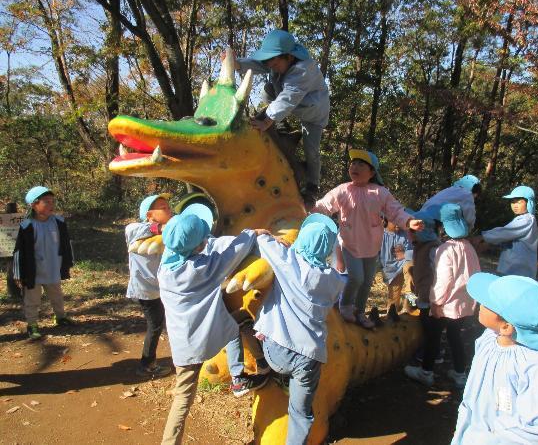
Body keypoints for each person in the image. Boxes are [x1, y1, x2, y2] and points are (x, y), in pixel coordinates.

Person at [158, 204, 270, 445]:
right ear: (198, 246)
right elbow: (233, 253)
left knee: (183, 396)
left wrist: (200, 242)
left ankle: (170, 442)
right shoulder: (203, 269)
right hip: (203, 337)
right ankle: (243, 375)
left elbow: (203, 246)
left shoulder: (167, 263)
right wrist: (252, 233)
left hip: (183, 340)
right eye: (202, 239)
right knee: (241, 322)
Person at [253, 213, 346, 445]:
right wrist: (336, 247)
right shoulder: (333, 280)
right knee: (301, 412)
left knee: (251, 321)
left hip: (276, 352)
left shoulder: (287, 260)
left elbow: (258, 239)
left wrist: (273, 237)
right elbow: (342, 270)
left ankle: (267, 371)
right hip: (309, 356)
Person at [311, 149, 424, 329]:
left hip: (372, 246)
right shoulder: (343, 189)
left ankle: (359, 311)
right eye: (353, 163)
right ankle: (346, 307)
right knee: (356, 277)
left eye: (361, 164)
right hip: (349, 243)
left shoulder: (379, 192)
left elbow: (394, 210)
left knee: (367, 280)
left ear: (372, 172)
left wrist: (409, 221)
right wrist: (310, 207)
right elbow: (325, 205)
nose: (354, 166)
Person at [452, 272, 538, 444]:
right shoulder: (488, 339)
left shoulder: (534, 364)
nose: (480, 304)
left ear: (506, 327)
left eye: (488, 303)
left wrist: (491, 439)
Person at [231, 29, 330, 202]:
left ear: (289, 57)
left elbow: (288, 98)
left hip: (313, 112)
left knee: (311, 150)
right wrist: (236, 64)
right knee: (267, 90)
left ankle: (313, 185)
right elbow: (259, 64)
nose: (271, 67)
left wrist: (268, 120)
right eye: (270, 63)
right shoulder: (278, 61)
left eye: (274, 64)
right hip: (294, 105)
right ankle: (283, 124)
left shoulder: (303, 70)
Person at [405, 204, 481, 388]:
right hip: (464, 304)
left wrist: (436, 303)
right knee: (456, 338)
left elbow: (443, 279)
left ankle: (426, 372)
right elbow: (476, 273)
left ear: (443, 227)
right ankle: (460, 374)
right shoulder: (469, 247)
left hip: (444, 305)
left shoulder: (445, 249)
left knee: (433, 337)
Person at [13, 186, 74, 340]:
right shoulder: (27, 226)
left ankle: (60, 317)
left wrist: (68, 262)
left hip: (53, 266)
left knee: (56, 294)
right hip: (34, 271)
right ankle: (32, 324)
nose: (51, 205)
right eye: (46, 202)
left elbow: (66, 244)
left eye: (52, 201)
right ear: (34, 204)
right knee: (32, 299)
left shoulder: (59, 222)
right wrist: (18, 273)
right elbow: (19, 251)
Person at [125, 194, 173, 377]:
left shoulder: (165, 233)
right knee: (155, 325)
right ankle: (146, 365)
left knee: (161, 323)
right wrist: (163, 227)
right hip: (146, 290)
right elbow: (151, 229)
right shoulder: (134, 229)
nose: (168, 209)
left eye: (168, 205)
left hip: (162, 288)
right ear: (149, 214)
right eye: (163, 207)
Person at [477, 185, 538, 278]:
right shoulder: (521, 219)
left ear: (528, 203)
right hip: (511, 267)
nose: (515, 205)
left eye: (519, 202)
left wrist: (483, 237)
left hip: (519, 269)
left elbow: (505, 232)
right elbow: (507, 238)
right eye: (512, 202)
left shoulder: (527, 220)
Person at [379, 218, 415, 315]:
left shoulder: (405, 234)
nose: (398, 224)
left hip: (404, 263)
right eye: (395, 221)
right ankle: (392, 312)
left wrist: (405, 254)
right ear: (386, 221)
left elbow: (414, 252)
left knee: (410, 272)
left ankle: (409, 305)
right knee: (394, 292)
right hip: (390, 268)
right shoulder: (380, 234)